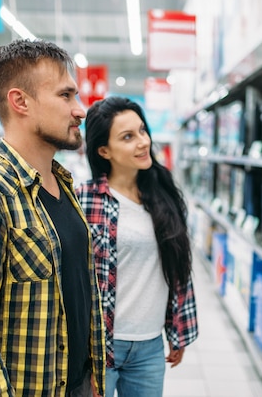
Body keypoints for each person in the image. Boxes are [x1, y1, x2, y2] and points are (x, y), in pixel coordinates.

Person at [0, 39, 105, 397]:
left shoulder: (62, 184)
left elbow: (77, 294)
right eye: (65, 96)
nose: (80, 110)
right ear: (20, 102)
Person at [76, 96, 198, 397]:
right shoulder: (84, 200)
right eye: (128, 137)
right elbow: (76, 282)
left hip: (149, 347)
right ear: (104, 150)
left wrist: (177, 330)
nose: (143, 142)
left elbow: (178, 267)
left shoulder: (163, 194)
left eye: (142, 131)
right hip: (101, 349)